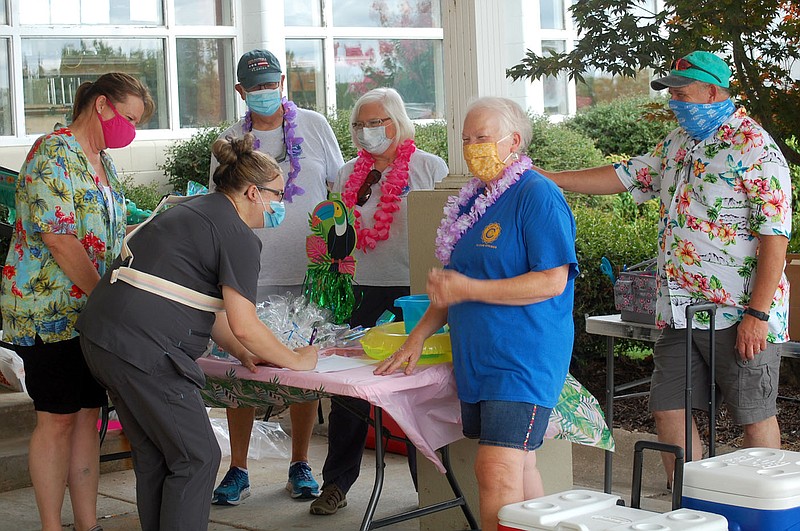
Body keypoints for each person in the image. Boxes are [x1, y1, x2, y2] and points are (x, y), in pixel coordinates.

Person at [533, 51, 791, 486]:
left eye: (682, 91)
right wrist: (549, 178)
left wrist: (757, 314)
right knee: (667, 405)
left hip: (737, 311)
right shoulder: (677, 142)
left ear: (713, 91)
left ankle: (766, 508)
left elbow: (775, 236)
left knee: (753, 414)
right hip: (677, 307)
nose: (674, 100)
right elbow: (625, 177)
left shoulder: (755, 147)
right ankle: (691, 499)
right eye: (671, 92)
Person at [76, 134, 319, 531]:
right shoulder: (238, 235)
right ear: (253, 192)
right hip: (146, 350)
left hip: (103, 339)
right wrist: (295, 359)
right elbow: (245, 321)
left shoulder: (192, 209)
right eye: (279, 195)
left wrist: (243, 352)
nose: (281, 206)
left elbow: (211, 310)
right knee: (198, 456)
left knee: (156, 454)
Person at [373, 96, 578, 531]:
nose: (471, 148)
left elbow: (552, 281)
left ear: (514, 141)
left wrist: (471, 288)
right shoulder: (472, 200)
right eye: (466, 139)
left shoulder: (538, 194)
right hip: (478, 359)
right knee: (520, 466)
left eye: (482, 138)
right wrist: (419, 336)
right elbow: (451, 286)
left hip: (522, 357)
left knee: (496, 470)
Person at [0, 72, 153, 531]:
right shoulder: (53, 153)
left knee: (89, 419)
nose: (130, 129)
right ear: (102, 105)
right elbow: (60, 239)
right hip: (47, 313)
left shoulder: (104, 161)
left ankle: (88, 524)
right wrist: (105, 295)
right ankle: (51, 525)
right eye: (128, 117)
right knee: (58, 420)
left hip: (90, 313)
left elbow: (103, 234)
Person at [208, 49, 344, 505]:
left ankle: (300, 462)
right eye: (256, 86)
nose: (266, 93)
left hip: (308, 273)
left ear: (282, 83)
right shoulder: (229, 141)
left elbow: (338, 193)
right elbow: (219, 209)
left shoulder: (315, 126)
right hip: (250, 273)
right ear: (241, 91)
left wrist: (336, 250)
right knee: (245, 365)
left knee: (301, 367)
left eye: (272, 84)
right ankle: (238, 468)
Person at [307, 87, 447, 516]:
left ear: (398, 121)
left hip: (411, 294)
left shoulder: (429, 168)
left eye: (376, 123)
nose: (367, 132)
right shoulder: (349, 172)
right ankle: (336, 483)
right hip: (358, 291)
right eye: (359, 125)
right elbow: (333, 230)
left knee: (418, 390)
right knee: (348, 391)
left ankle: (434, 489)